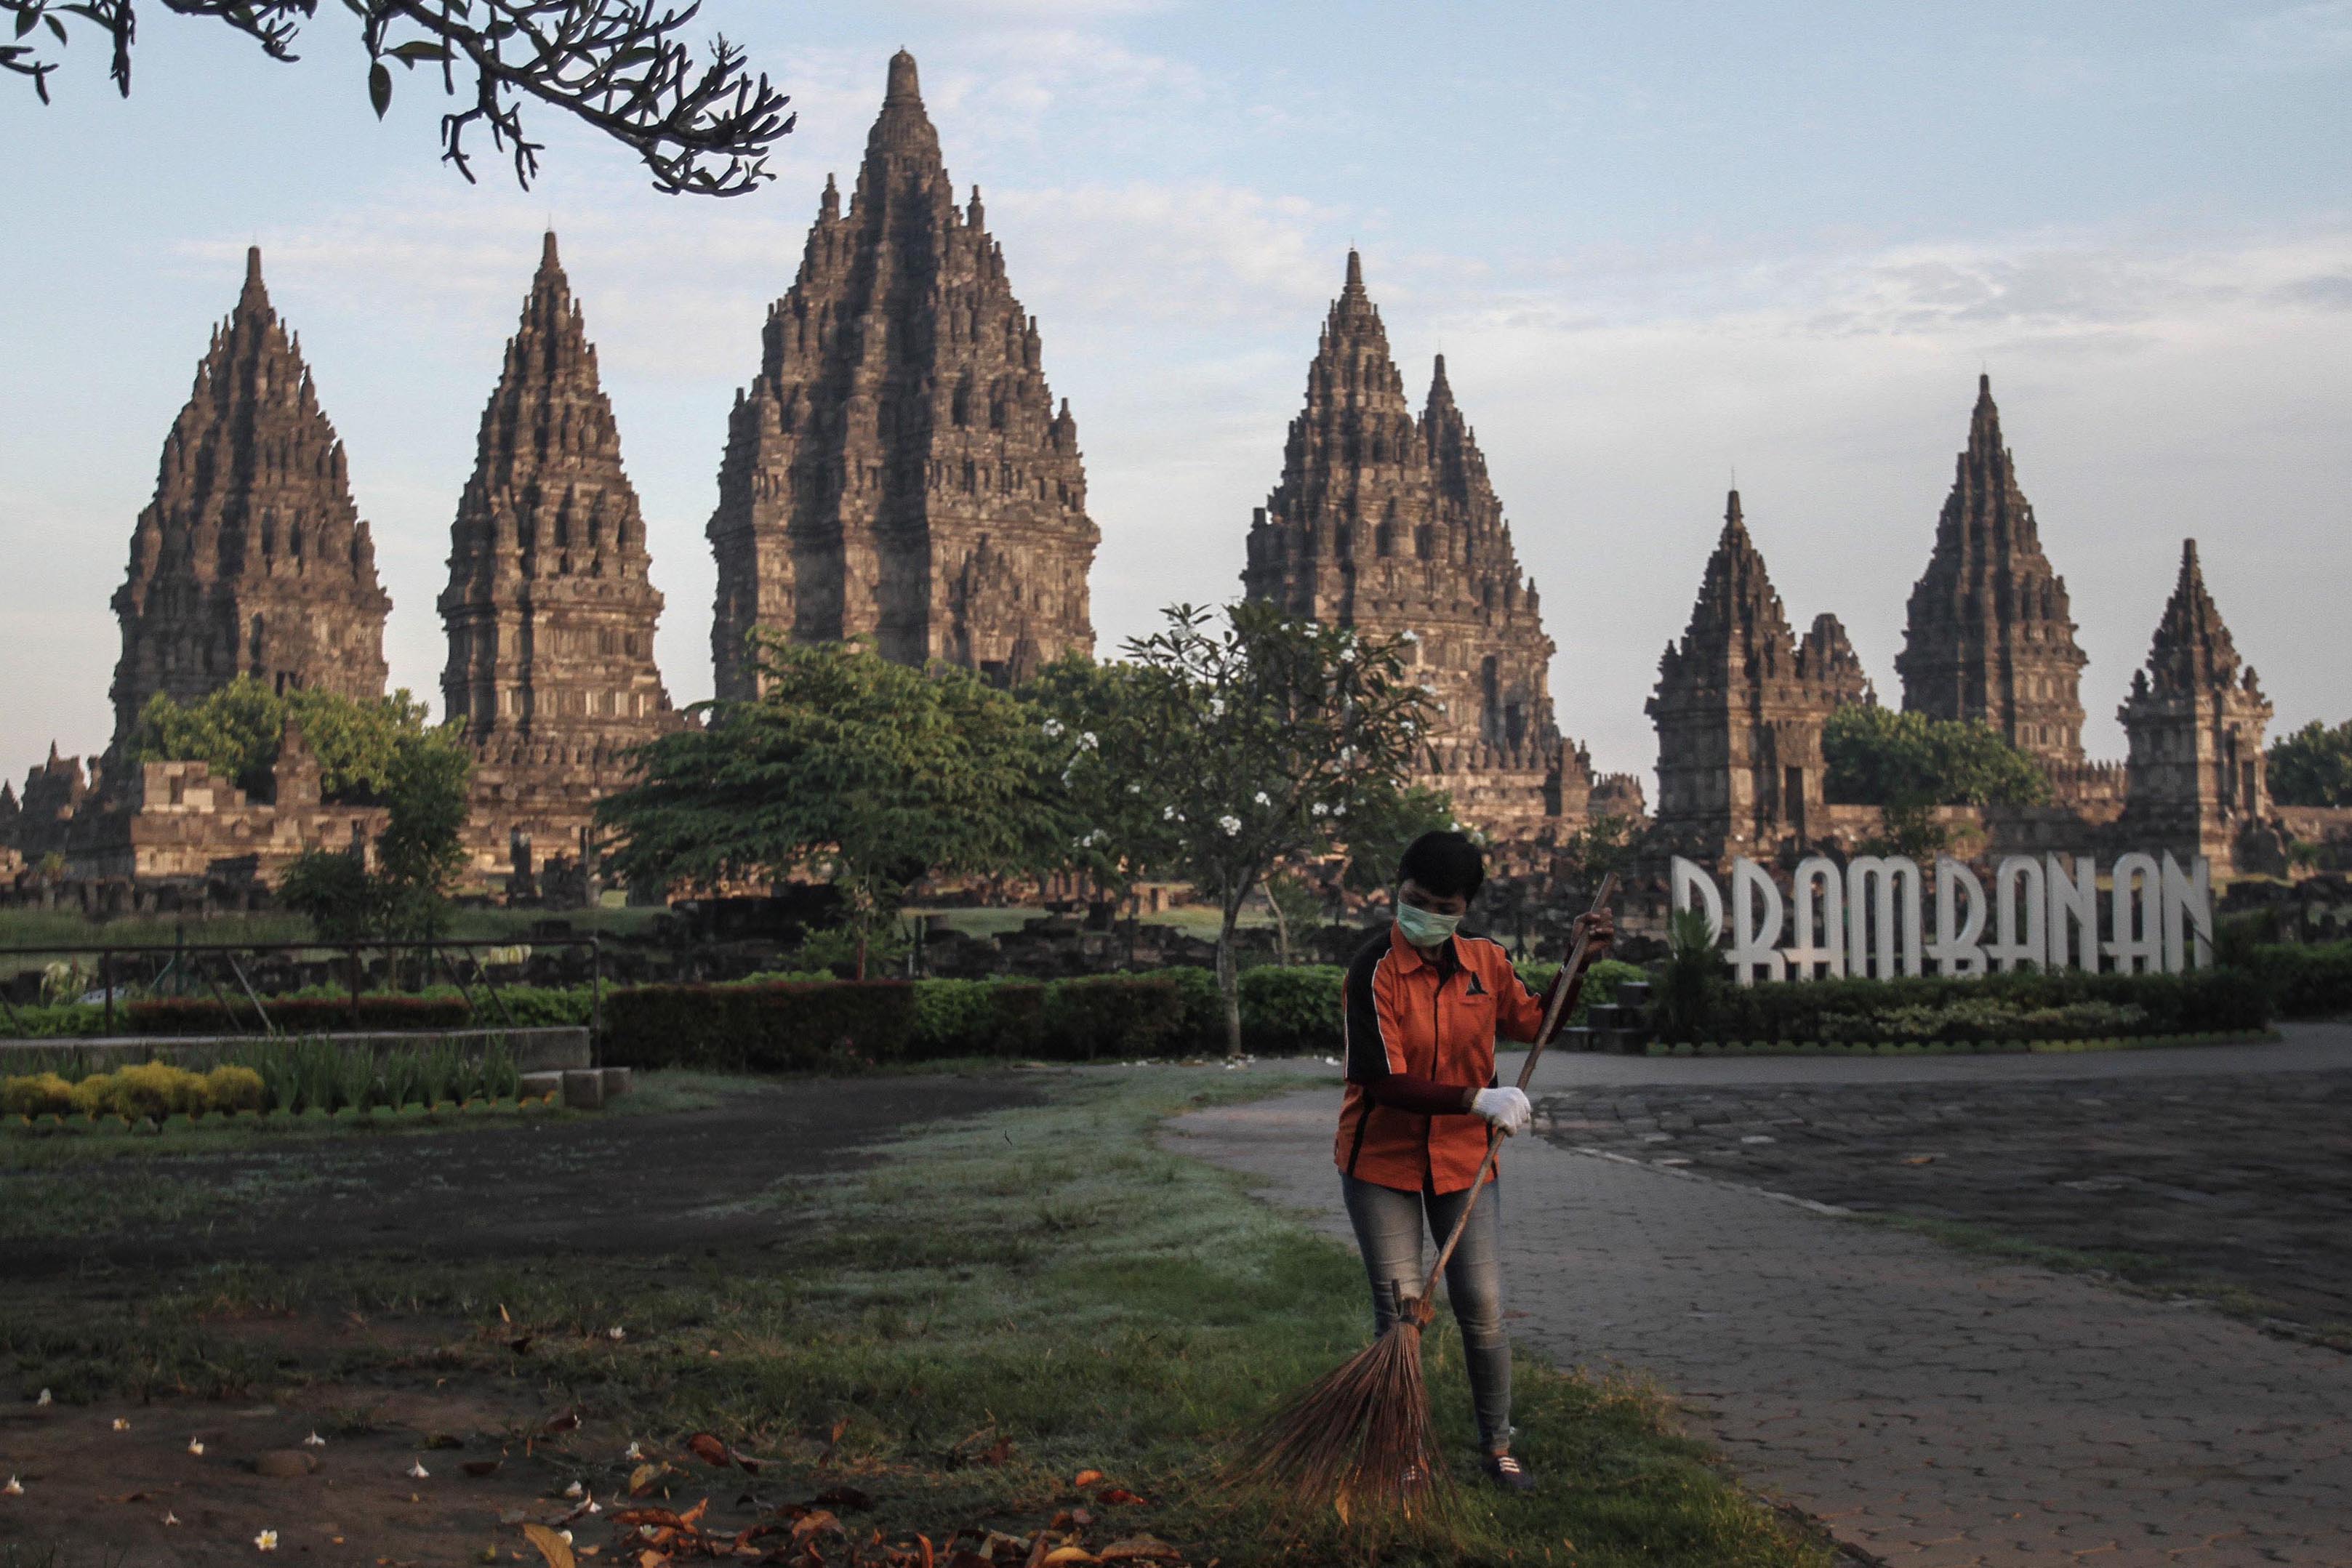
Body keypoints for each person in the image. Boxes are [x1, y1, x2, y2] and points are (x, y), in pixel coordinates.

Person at [1334, 829, 1612, 1492]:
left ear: (1464, 908)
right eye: (1415, 898)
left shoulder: (1486, 962)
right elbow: (1382, 1081)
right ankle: (1403, 1451)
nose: (1425, 913)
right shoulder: (1373, 969)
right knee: (1400, 1314)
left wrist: (1575, 965)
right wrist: (1476, 1098)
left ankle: (1497, 1446)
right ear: (1398, 888)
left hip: (1464, 1161)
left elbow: (1536, 1022)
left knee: (1482, 1307)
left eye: (1443, 905)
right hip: (1382, 1162)